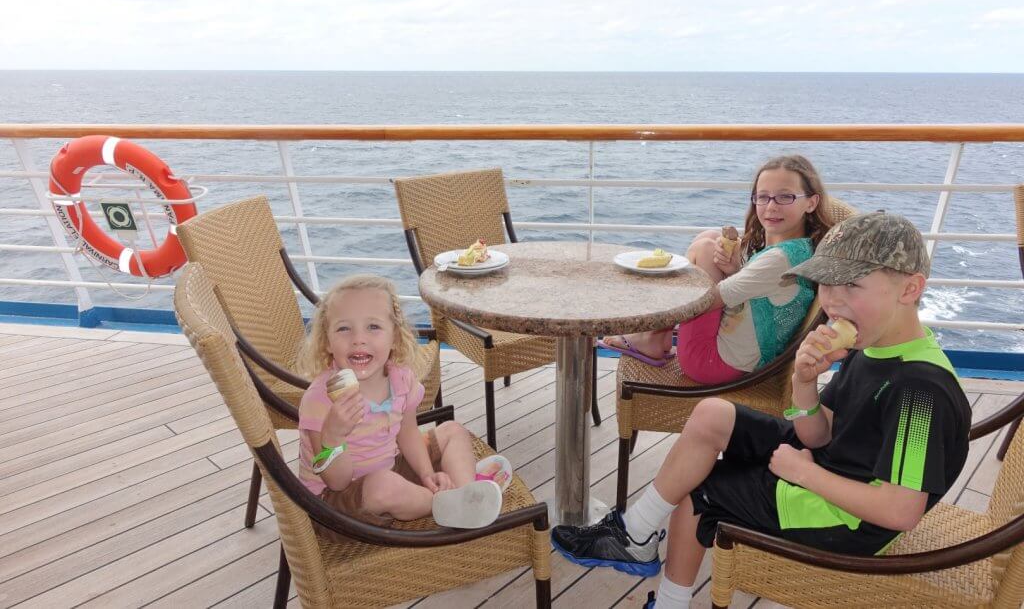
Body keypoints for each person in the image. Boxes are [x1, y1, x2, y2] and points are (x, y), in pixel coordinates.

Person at [552, 212, 971, 609]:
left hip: (849, 521)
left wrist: (803, 473)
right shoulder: (875, 344)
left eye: (852, 286)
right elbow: (819, 435)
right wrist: (804, 384)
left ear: (910, 289)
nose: (833, 302)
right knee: (712, 414)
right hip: (832, 462)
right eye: (826, 285)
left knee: (702, 493)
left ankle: (669, 602)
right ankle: (635, 534)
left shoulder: (920, 391)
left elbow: (900, 511)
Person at [295, 273, 509, 539]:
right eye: (343, 328)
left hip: (389, 466)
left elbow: (407, 431)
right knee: (383, 486)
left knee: (452, 430)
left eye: (373, 327)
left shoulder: (400, 377)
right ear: (326, 341)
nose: (358, 339)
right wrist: (333, 435)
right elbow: (336, 481)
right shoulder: (321, 399)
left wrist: (427, 473)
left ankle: (463, 491)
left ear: (395, 337)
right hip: (337, 505)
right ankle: (447, 503)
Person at [600, 154, 834, 385]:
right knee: (710, 238)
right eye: (763, 197)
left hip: (712, 363)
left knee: (704, 249)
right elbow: (761, 293)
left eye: (785, 197)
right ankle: (655, 336)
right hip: (747, 356)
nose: (771, 206)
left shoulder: (780, 259)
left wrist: (648, 302)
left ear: (811, 202)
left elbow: (703, 302)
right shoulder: (799, 248)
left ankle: (651, 336)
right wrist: (733, 270)